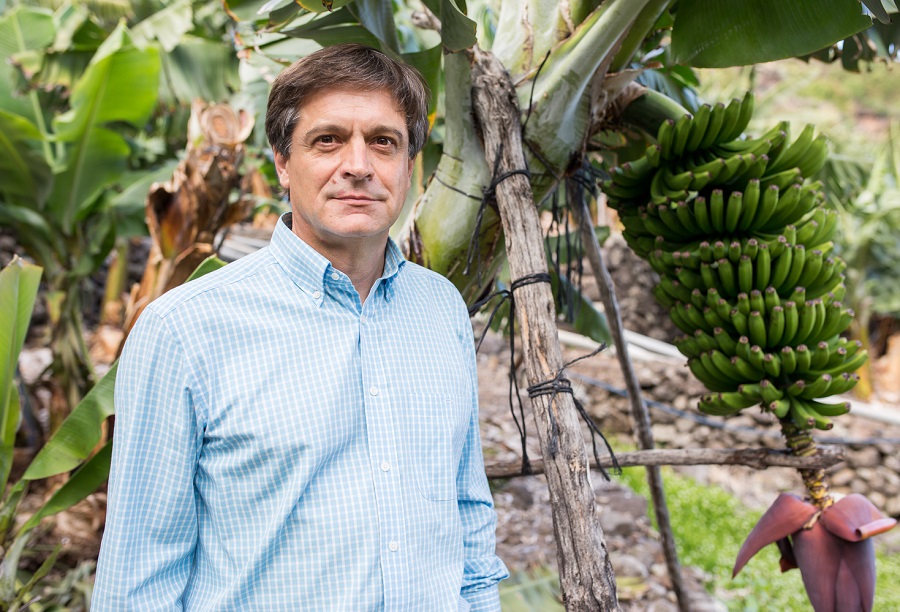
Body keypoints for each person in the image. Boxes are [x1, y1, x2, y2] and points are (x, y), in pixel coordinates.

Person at [93, 43, 508, 610]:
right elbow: (138, 579)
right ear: (283, 165)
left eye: (383, 142)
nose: (358, 165)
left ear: (409, 166)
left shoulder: (440, 309)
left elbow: (467, 511)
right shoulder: (185, 330)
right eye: (328, 140)